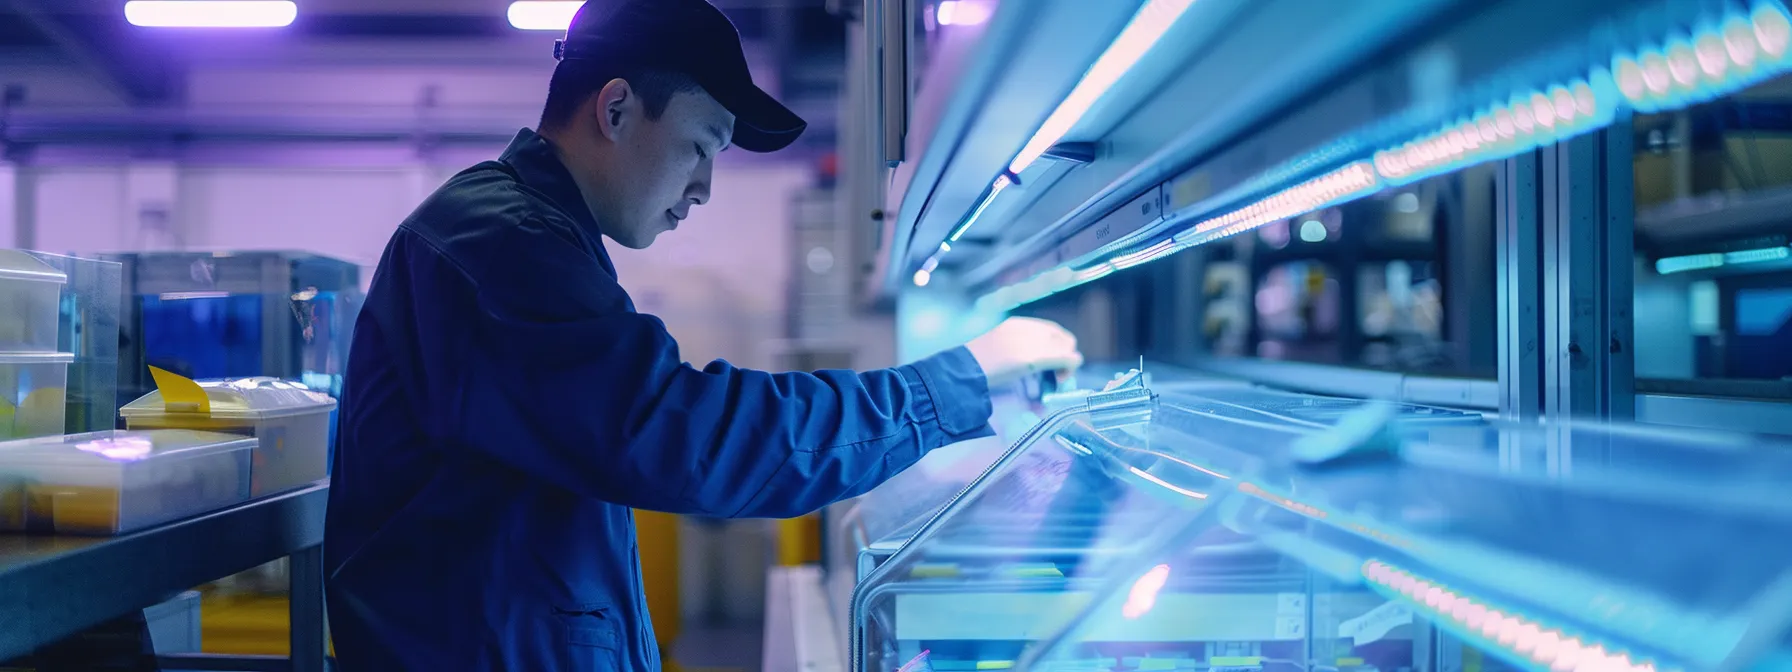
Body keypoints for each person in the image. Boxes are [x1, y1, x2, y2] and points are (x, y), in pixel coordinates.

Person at [320, 0, 1082, 669]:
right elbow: (685, 438)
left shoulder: (534, 239)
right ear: (615, 110)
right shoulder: (500, 248)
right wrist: (956, 383)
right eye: (701, 146)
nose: (705, 188)